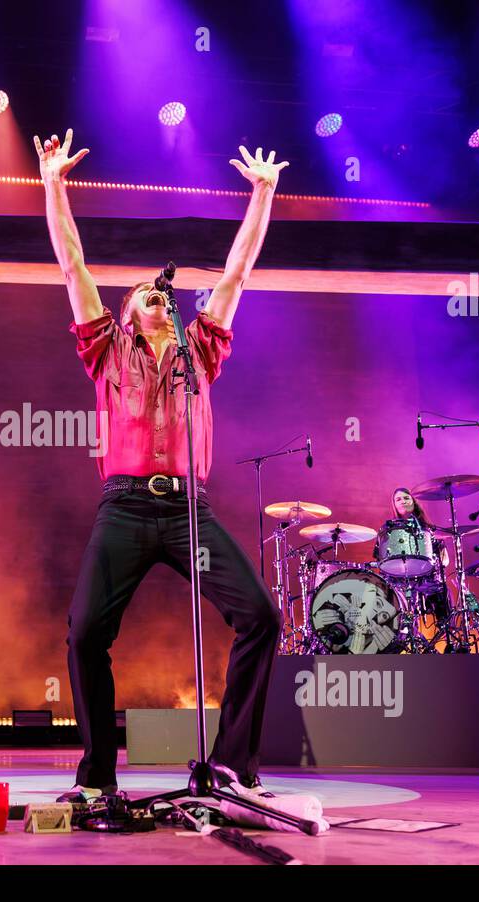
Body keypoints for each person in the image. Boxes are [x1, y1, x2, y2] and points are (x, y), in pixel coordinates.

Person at [36, 128, 290, 808]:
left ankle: (233, 761)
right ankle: (96, 775)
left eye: (163, 295)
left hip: (186, 511)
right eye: (145, 294)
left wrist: (262, 195)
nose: (158, 297)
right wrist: (53, 184)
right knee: (86, 630)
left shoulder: (198, 352)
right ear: (126, 314)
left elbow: (236, 274)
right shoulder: (107, 352)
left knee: (262, 615)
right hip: (123, 508)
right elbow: (72, 266)